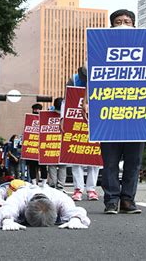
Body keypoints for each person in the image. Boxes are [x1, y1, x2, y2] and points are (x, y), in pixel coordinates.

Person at [96, 9, 145, 214]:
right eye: (118, 21)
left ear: (134, 26)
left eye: (127, 21)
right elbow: (91, 77)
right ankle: (111, 200)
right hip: (109, 118)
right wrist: (85, 101)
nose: (123, 24)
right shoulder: (99, 48)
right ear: (111, 27)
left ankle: (127, 200)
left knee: (134, 163)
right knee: (110, 163)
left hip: (138, 117)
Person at [64, 67, 99, 201]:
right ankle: (78, 188)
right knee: (76, 155)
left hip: (95, 122)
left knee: (94, 156)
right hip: (76, 121)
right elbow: (66, 100)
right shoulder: (73, 80)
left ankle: (91, 189)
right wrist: (63, 119)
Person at [0, 184, 90, 230]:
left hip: (39, 187)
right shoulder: (20, 196)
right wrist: (6, 220)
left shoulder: (59, 197)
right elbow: (8, 207)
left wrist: (76, 219)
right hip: (17, 185)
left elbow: (73, 210)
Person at [47, 98, 67, 191]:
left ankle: (55, 186)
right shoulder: (66, 113)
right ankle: (58, 186)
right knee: (55, 165)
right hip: (56, 143)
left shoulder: (48, 114)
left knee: (56, 165)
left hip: (57, 143)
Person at [26, 103, 48, 185]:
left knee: (43, 166)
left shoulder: (45, 119)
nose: (36, 111)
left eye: (37, 109)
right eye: (34, 110)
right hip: (32, 147)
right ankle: (34, 183)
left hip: (42, 148)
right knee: (32, 166)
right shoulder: (29, 120)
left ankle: (43, 183)